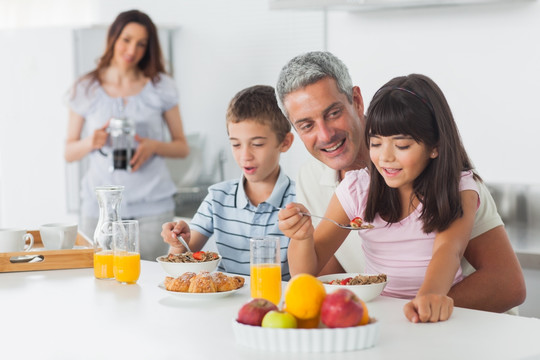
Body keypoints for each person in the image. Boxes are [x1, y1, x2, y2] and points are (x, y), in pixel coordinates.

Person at [275, 51, 525, 313]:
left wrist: (420, 304)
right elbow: (317, 273)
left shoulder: (455, 185)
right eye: (306, 125)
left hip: (466, 320)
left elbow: (456, 255)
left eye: (333, 113)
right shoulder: (342, 184)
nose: (325, 134)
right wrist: (301, 238)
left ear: (357, 101)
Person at [65, 10, 189, 261]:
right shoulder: (86, 88)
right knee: (98, 280)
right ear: (112, 38)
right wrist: (92, 141)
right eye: (126, 39)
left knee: (152, 283)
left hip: (152, 210)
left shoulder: (160, 86)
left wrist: (154, 146)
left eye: (141, 44)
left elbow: (182, 147)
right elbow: (68, 152)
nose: (132, 49)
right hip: (99, 210)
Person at [160, 85, 295, 280]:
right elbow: (181, 265)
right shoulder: (218, 197)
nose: (244, 156)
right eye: (236, 144)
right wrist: (179, 243)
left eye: (257, 144)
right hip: (226, 302)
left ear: (285, 142)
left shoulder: (301, 200)